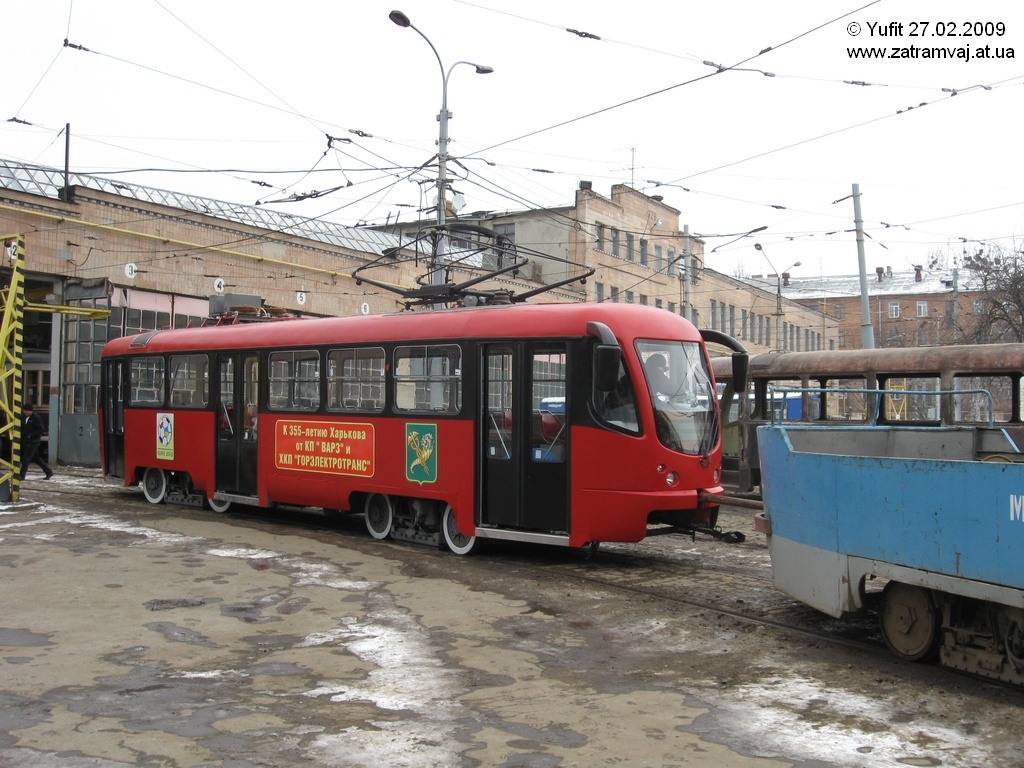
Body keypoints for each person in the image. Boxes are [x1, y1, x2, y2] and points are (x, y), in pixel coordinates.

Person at [19, 403, 52, 480]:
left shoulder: (36, 418)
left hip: (34, 441)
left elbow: (41, 429)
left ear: (31, 411)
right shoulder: (22, 417)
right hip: (26, 441)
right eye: (24, 410)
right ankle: (48, 472)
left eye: (27, 411)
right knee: (36, 458)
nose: (25, 412)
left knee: (26, 458)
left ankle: (21, 475)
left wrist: (31, 435)